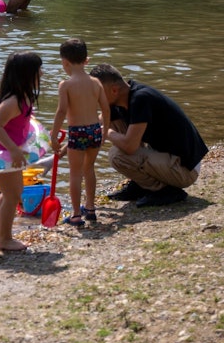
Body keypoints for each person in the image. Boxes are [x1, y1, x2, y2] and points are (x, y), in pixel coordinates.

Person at [89, 64, 208, 207]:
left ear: (114, 90)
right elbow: (98, 121)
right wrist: (76, 133)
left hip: (185, 169)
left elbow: (130, 147)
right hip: (168, 159)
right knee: (114, 122)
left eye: (97, 93)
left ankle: (165, 191)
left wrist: (106, 132)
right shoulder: (124, 95)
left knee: (117, 156)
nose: (95, 98)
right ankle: (141, 185)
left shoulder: (140, 99)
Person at [0, 52, 43, 251]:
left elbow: (23, 124)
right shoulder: (12, 101)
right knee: (11, 195)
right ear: (27, 74)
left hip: (10, 149)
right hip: (0, 151)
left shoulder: (25, 96)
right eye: (38, 70)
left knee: (12, 192)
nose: (41, 73)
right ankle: (4, 239)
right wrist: (14, 150)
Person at [50, 39, 111, 226]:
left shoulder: (65, 85)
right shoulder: (96, 83)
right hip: (94, 130)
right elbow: (106, 109)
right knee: (89, 168)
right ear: (86, 60)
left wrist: (53, 135)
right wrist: (105, 131)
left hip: (77, 132)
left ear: (65, 62)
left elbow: (61, 111)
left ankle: (76, 214)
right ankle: (91, 208)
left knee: (75, 174)